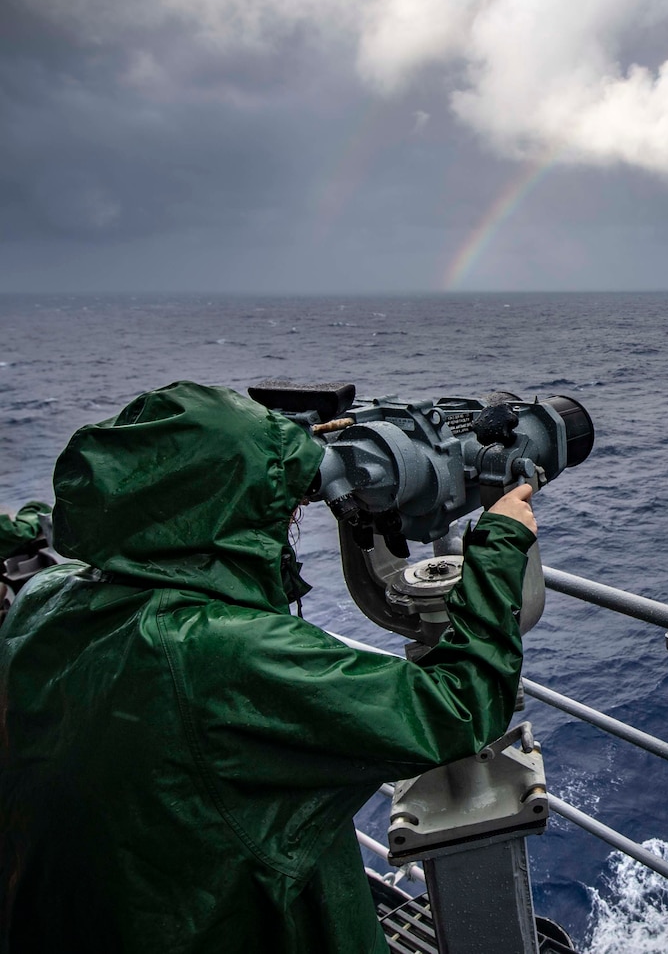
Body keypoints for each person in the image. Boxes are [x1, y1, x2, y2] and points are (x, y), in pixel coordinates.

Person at [0, 381, 536, 953]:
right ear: (226, 508)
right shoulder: (214, 653)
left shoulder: (44, 599)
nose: (292, 512)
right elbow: (456, 706)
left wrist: (279, 453)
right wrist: (501, 540)